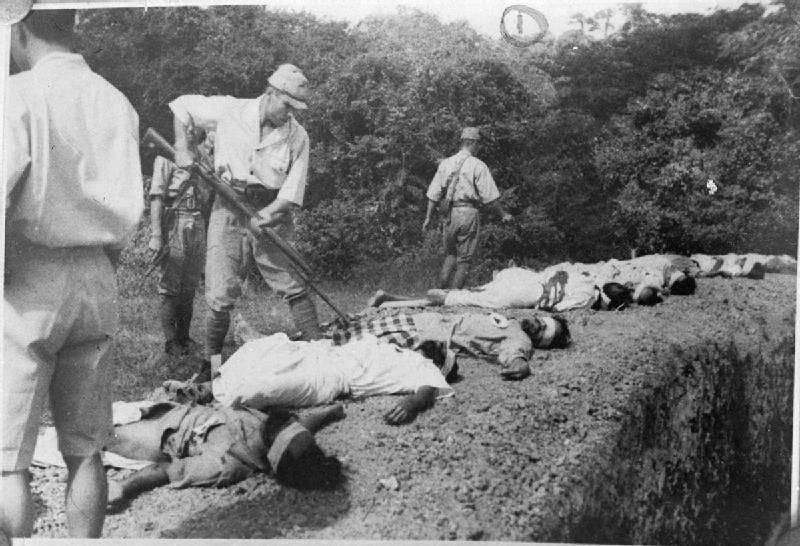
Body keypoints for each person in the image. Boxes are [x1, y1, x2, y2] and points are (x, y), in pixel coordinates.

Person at [2, 10, 143, 538]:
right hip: (99, 274)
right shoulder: (115, 99)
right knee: (85, 450)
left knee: (7, 457)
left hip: (28, 274)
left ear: (17, 30)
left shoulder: (17, 95)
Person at [169, 63, 322, 377]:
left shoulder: (298, 137)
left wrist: (269, 214)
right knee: (219, 290)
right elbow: (182, 106)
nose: (289, 113)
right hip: (228, 205)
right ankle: (212, 366)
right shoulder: (231, 110)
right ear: (270, 92)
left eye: (296, 108)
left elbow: (292, 190)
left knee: (291, 281)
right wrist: (183, 147)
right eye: (286, 104)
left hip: (271, 211)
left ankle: (319, 352)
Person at [105, 403, 344, 509]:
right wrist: (331, 412)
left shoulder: (225, 464)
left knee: (93, 435)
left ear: (274, 455)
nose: (287, 422)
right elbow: (306, 422)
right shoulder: (273, 428)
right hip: (181, 408)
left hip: (163, 432)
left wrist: (124, 487)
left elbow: (166, 470)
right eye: (290, 424)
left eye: (284, 429)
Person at [326, 311, 570, 381]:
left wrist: (520, 365)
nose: (536, 323)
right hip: (423, 321)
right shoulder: (515, 320)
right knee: (350, 333)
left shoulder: (521, 339)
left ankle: (310, 351)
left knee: (351, 346)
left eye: (542, 329)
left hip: (426, 336)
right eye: (541, 321)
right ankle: (305, 342)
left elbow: (516, 354)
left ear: (541, 341)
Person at [148, 129, 214, 356]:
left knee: (190, 284)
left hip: (198, 222)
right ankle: (170, 342)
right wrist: (156, 235)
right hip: (176, 221)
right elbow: (156, 197)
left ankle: (184, 337)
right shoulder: (167, 154)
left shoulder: (204, 156)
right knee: (170, 286)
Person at [422, 127, 512, 289]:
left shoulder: (446, 163)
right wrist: (503, 213)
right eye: (478, 144)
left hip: (449, 215)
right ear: (473, 143)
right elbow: (489, 196)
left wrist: (428, 217)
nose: (479, 148)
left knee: (450, 255)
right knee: (464, 259)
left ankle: (439, 290)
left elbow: (433, 193)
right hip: (468, 213)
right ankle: (455, 296)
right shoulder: (477, 165)